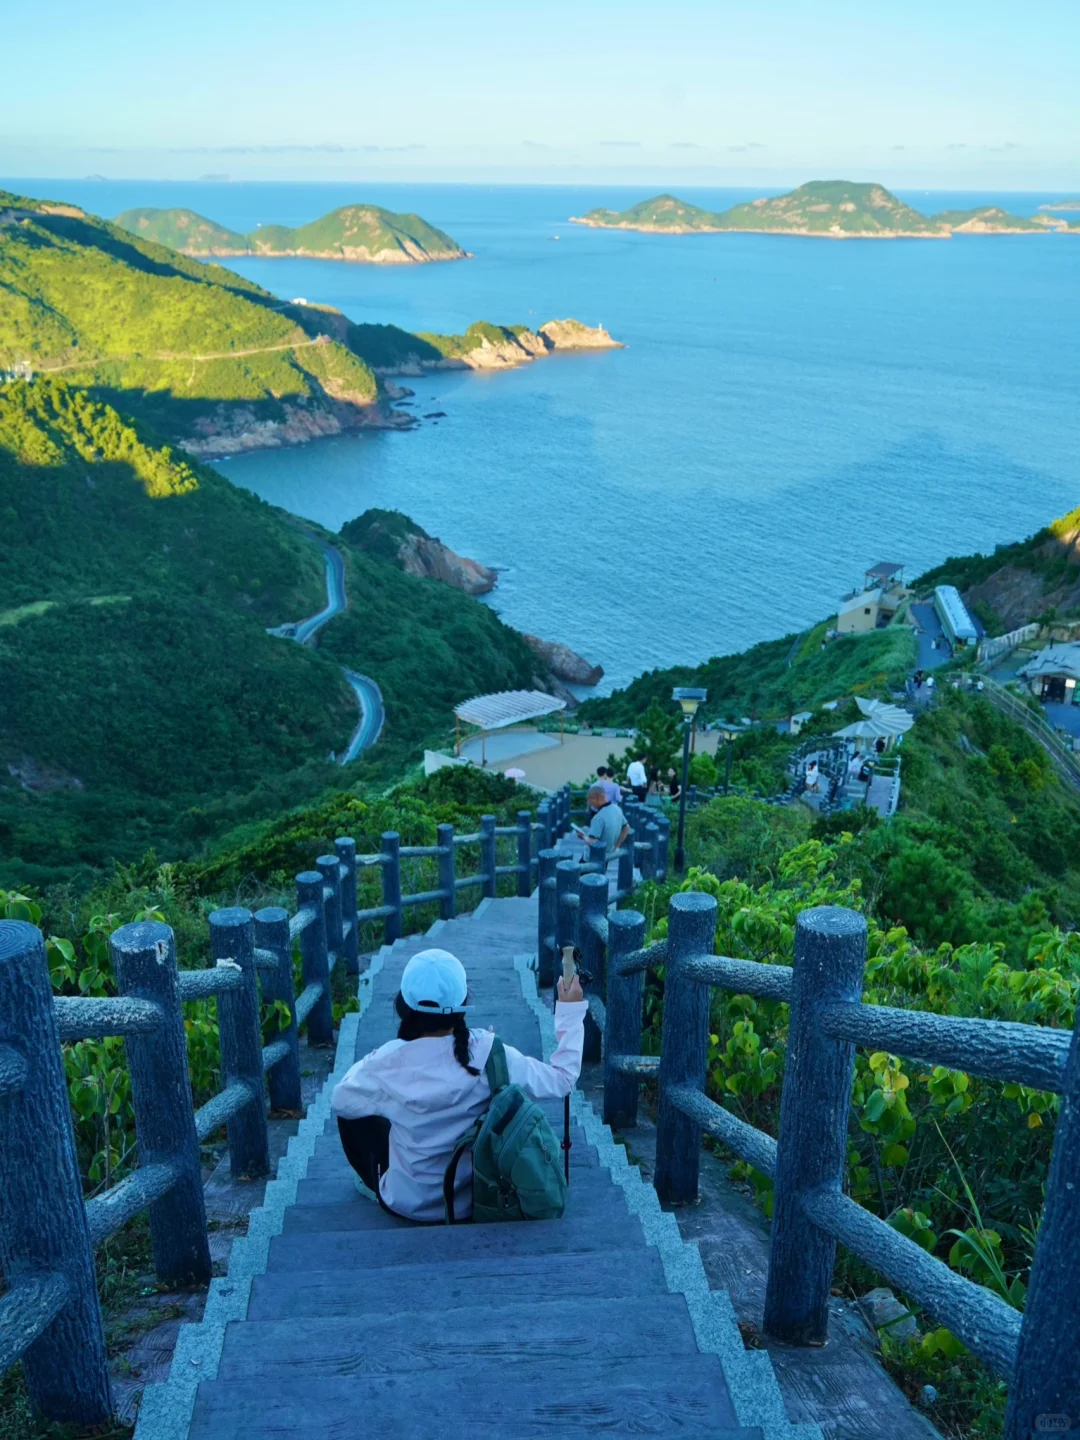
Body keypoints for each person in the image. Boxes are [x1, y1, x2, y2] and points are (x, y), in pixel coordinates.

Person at [332, 949, 587, 1223]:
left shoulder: (383, 1063)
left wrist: (383, 1079)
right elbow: (562, 1079)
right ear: (463, 1003)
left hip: (404, 1202)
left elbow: (341, 1100)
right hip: (473, 1201)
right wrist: (570, 1011)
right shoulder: (490, 1053)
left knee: (358, 1112)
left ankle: (381, 1177)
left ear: (402, 1006)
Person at [574, 783, 630, 861]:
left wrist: (583, 837)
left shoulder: (598, 818)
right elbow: (626, 828)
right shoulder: (617, 809)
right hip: (607, 855)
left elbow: (594, 842)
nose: (589, 803)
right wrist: (616, 846)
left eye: (589, 799)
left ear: (595, 798)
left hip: (592, 857)